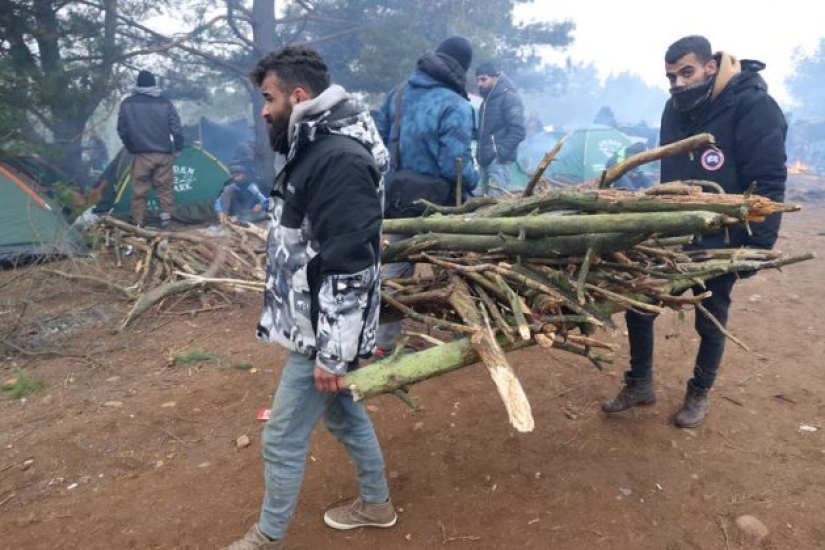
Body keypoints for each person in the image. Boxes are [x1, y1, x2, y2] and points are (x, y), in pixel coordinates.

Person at [223, 45, 394, 550]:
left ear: (299, 97)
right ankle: (378, 503)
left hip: (322, 329)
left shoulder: (337, 159)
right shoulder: (313, 147)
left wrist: (332, 353)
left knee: (280, 438)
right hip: (312, 321)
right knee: (343, 414)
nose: (263, 109)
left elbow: (350, 261)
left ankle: (267, 537)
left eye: (269, 97)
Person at [601, 35, 787, 428]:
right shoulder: (675, 109)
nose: (678, 84)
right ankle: (640, 384)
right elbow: (668, 168)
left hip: (723, 237)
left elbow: (768, 180)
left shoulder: (754, 107)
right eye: (671, 77)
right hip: (671, 235)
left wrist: (760, 244)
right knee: (639, 303)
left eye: (687, 73)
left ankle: (699, 393)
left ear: (710, 67)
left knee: (710, 316)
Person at [373, 36, 479, 355]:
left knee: (394, 268)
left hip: (397, 201)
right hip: (441, 205)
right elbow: (456, 166)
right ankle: (464, 336)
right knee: (454, 266)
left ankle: (383, 344)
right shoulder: (456, 105)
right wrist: (475, 183)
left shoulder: (398, 94)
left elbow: (375, 144)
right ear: (462, 68)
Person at [116, 69, 184, 228]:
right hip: (164, 153)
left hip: (141, 154)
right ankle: (167, 221)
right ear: (154, 83)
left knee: (139, 190)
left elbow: (122, 130)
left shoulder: (128, 103)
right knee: (165, 189)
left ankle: (138, 222)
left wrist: (131, 147)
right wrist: (178, 147)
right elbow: (176, 128)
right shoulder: (165, 103)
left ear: (138, 85)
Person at [475, 60, 526, 196]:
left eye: (483, 79)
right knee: (485, 204)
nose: (479, 84)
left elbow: (518, 131)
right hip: (485, 161)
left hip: (499, 163)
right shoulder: (486, 102)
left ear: (495, 78)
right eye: (477, 80)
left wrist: (500, 155)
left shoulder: (509, 97)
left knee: (494, 203)